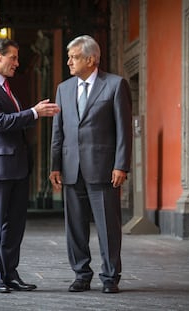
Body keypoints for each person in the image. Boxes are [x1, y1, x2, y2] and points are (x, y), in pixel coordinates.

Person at [0, 38, 60, 294]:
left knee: (16, 224)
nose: (17, 64)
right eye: (14, 58)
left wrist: (31, 114)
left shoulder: (6, 87)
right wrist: (33, 113)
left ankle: (10, 273)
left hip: (18, 166)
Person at [49, 35, 132, 294]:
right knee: (74, 228)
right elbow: (58, 132)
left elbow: (123, 130)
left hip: (104, 169)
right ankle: (81, 275)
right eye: (69, 57)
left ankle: (110, 277)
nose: (69, 62)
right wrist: (54, 166)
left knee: (108, 227)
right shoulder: (63, 89)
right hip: (71, 169)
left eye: (73, 57)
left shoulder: (115, 85)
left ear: (91, 59)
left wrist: (121, 165)